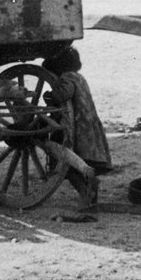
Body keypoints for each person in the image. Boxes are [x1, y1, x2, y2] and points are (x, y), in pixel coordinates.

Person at [43, 45, 112, 205]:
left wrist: (50, 96)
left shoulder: (66, 78)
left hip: (75, 129)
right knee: (78, 163)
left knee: (66, 164)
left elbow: (64, 94)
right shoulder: (80, 77)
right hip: (88, 126)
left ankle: (85, 191)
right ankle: (89, 188)